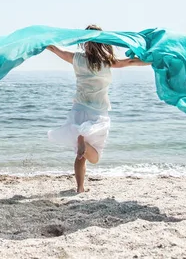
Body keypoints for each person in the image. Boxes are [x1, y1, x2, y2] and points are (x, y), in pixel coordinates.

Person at [45, 25, 150, 193]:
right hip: (97, 113)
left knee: (80, 156)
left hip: (78, 110)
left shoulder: (76, 58)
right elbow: (130, 61)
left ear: (85, 42)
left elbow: (55, 49)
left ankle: (80, 188)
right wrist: (153, 60)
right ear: (103, 42)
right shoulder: (107, 61)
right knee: (94, 157)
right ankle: (83, 144)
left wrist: (42, 41)